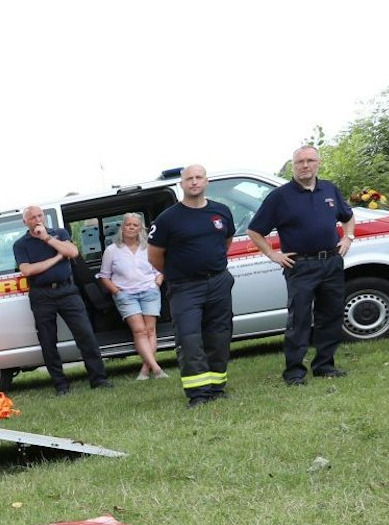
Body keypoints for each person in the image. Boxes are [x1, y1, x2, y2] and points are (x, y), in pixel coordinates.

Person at [246, 145, 356, 385]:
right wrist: (273, 255)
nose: (305, 165)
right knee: (300, 320)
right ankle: (294, 372)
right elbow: (254, 230)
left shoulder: (330, 190)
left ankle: (324, 365)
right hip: (301, 266)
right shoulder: (280, 196)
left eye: (310, 161)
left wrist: (348, 237)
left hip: (331, 262)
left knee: (331, 315)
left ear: (318, 163)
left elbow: (348, 217)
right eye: (299, 162)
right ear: (292, 166)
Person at [146, 165, 238, 407]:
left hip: (218, 282)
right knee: (189, 339)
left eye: (199, 178)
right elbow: (154, 256)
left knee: (219, 336)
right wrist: (176, 273)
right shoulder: (168, 219)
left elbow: (225, 242)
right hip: (185, 287)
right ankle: (198, 394)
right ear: (182, 184)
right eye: (189, 179)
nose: (194, 182)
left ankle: (217, 387)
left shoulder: (221, 212)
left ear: (206, 181)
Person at [12, 206, 111, 394]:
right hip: (42, 295)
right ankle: (61, 385)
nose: (37, 219)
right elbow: (27, 270)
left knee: (85, 334)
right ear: (25, 222)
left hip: (67, 290)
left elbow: (73, 252)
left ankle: (99, 379)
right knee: (48, 341)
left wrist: (47, 239)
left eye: (40, 215)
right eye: (32, 217)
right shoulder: (20, 244)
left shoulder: (58, 232)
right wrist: (58, 257)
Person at [97, 212, 168, 380]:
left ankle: (145, 370)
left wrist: (157, 282)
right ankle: (157, 369)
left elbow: (160, 268)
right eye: (128, 224)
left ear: (140, 229)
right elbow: (104, 276)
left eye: (135, 225)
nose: (131, 227)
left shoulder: (148, 247)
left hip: (149, 291)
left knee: (150, 330)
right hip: (126, 295)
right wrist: (117, 292)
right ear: (122, 228)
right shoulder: (112, 250)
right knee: (139, 331)